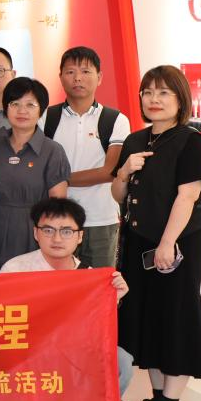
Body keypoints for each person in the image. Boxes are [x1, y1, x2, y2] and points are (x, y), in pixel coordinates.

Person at [111, 65, 201, 401]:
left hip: (176, 244)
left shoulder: (190, 141)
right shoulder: (136, 140)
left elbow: (188, 196)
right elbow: (118, 195)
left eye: (163, 93)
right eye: (148, 92)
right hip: (137, 242)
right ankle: (156, 399)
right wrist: (124, 172)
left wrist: (167, 243)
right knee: (147, 318)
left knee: (176, 316)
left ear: (180, 99)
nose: (154, 99)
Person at [0, 197, 131, 401]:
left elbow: (97, 333)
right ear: (36, 233)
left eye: (67, 231)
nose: (57, 238)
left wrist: (114, 297)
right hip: (28, 359)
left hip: (71, 357)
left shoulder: (91, 277)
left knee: (121, 361)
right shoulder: (16, 268)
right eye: (48, 230)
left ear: (80, 236)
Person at [42, 46, 130, 269]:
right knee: (58, 285)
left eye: (85, 71)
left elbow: (109, 172)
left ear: (99, 77)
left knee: (98, 284)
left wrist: (60, 180)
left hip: (101, 220)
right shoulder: (46, 118)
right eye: (70, 72)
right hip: (56, 222)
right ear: (61, 77)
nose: (77, 78)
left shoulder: (116, 119)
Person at [0, 77, 71, 272]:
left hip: (34, 234)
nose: (22, 111)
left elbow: (57, 207)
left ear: (41, 110)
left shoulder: (53, 151)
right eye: (15, 104)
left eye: (30, 105)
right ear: (6, 108)